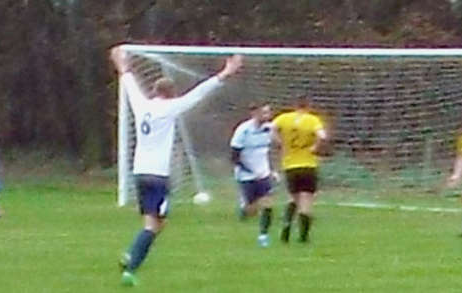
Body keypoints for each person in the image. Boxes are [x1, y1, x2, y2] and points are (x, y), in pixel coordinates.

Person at [110, 46, 243, 286]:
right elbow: (199, 93)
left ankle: (132, 254)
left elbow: (128, 80)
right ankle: (130, 267)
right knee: (154, 225)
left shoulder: (142, 105)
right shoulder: (170, 107)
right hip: (158, 175)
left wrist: (120, 62)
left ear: (153, 90)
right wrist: (226, 72)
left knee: (157, 223)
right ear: (171, 94)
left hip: (139, 172)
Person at [272, 96, 327, 244]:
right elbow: (322, 136)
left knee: (293, 199)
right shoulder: (312, 120)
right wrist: (315, 146)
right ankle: (303, 237)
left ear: (295, 105)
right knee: (306, 201)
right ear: (308, 106)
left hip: (290, 165)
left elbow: (272, 129)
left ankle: (286, 228)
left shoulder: (284, 118)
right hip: (308, 164)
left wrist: (280, 142)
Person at [230, 102, 279, 247]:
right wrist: (250, 171)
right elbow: (234, 157)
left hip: (263, 174)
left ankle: (263, 235)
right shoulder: (243, 130)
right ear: (254, 113)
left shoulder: (269, 129)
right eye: (263, 113)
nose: (267, 116)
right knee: (251, 209)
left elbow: (272, 150)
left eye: (268, 113)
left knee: (268, 204)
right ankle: (244, 209)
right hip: (246, 175)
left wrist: (273, 170)